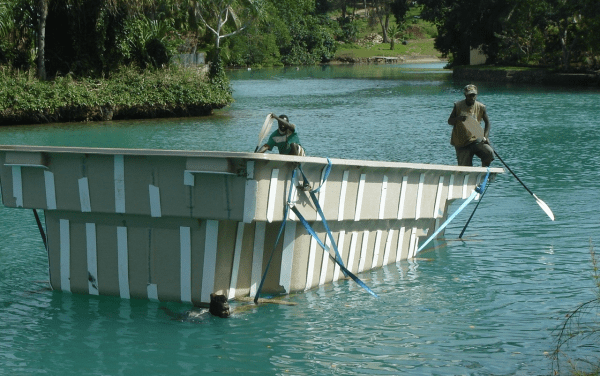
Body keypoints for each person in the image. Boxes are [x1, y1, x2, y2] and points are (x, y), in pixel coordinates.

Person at [447, 84, 494, 167]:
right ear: (465, 95)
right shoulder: (458, 106)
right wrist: (458, 118)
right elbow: (450, 121)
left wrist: (485, 137)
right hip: (461, 142)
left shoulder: (481, 107)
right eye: (470, 95)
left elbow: (487, 123)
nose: (472, 97)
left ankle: (483, 173)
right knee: (465, 168)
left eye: (473, 95)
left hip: (476, 138)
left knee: (489, 153)